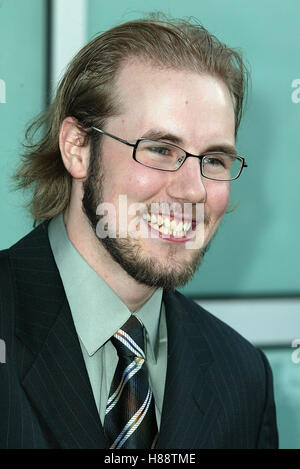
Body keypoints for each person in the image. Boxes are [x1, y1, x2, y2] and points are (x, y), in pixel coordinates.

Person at [0, 14, 278, 449]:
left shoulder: (243, 378)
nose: (193, 190)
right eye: (160, 149)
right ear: (77, 148)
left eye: (215, 159)